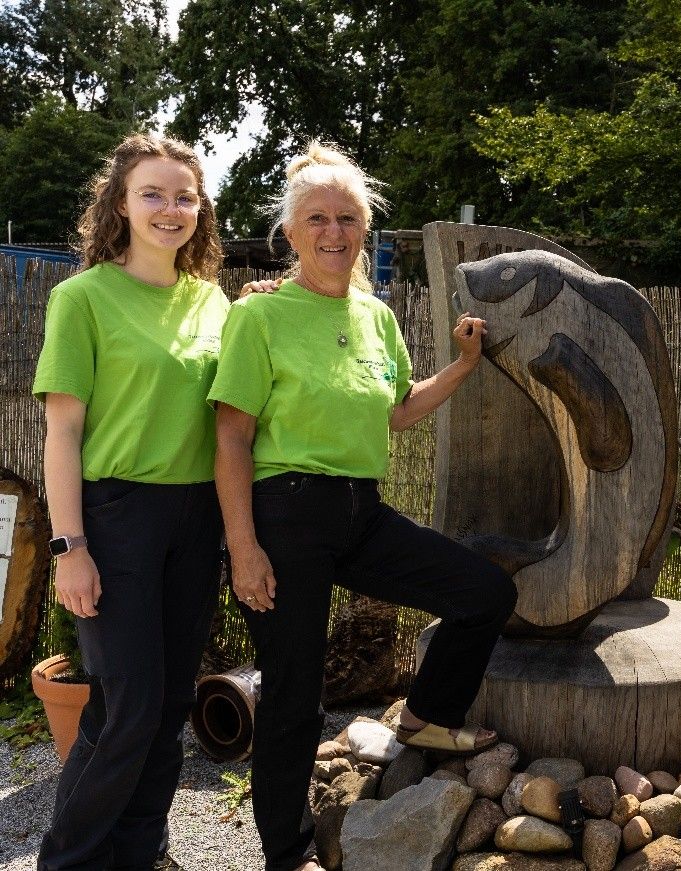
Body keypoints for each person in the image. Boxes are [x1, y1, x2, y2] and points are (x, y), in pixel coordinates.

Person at [208, 142, 516, 871]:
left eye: (348, 217)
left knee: (483, 591)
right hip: (282, 515)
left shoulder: (377, 317)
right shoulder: (260, 319)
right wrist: (243, 546)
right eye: (317, 217)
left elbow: (400, 410)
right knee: (293, 691)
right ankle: (286, 851)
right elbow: (230, 437)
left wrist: (465, 367)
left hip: (358, 511)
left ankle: (426, 716)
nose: (334, 231)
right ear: (291, 234)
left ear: (365, 228)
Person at [32, 134, 228, 871]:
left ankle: (142, 852)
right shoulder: (81, 298)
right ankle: (71, 860)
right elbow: (63, 430)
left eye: (184, 195)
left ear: (200, 209)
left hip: (197, 514)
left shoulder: (214, 302)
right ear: (120, 203)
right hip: (115, 519)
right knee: (126, 705)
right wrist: (68, 546)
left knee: (170, 701)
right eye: (152, 193)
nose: (169, 208)